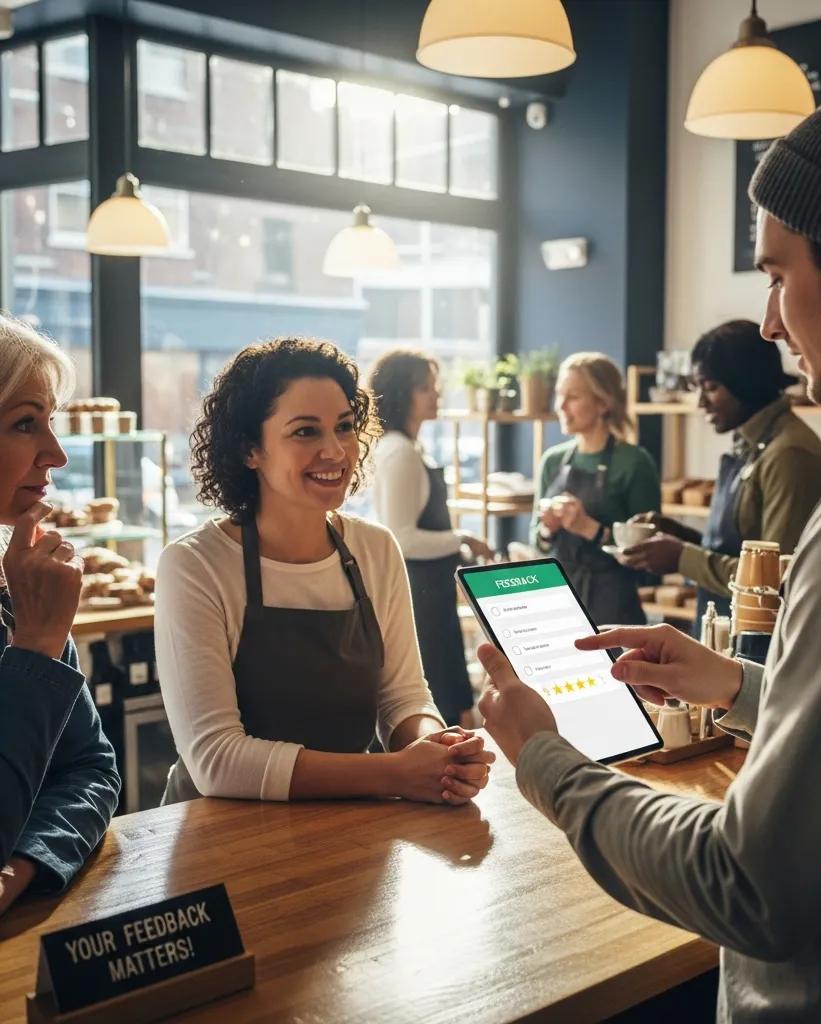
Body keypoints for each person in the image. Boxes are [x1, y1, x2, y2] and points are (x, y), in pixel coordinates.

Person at [477, 69, 821, 1022]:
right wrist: (738, 686)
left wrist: (549, 762)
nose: (772, 322)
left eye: (776, 275)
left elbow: (750, 887)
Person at [155, 337, 494, 806]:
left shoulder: (374, 549)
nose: (335, 450)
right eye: (305, 432)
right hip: (217, 839)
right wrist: (394, 773)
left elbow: (403, 698)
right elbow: (216, 760)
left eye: (344, 426)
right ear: (250, 449)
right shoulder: (196, 564)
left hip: (349, 831)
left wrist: (435, 749)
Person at [0, 316, 120, 917]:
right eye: (26, 423)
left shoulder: (14, 588)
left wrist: (19, 871)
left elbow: (91, 770)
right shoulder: (31, 610)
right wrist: (38, 647)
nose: (58, 454)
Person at [620, 320, 821, 630]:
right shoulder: (752, 443)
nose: (701, 403)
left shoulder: (789, 456)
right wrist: (681, 536)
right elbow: (740, 549)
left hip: (762, 647)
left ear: (745, 381)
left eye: (710, 388)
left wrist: (682, 557)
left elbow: (772, 580)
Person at [368, 349, 493, 728]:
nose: (436, 396)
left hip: (431, 594)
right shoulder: (400, 453)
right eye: (425, 388)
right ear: (401, 393)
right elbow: (401, 538)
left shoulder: (408, 448)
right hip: (418, 596)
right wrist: (463, 539)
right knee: (435, 704)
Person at [531, 353, 661, 626]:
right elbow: (537, 544)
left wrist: (591, 529)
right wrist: (547, 529)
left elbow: (651, 564)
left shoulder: (635, 463)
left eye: (573, 397)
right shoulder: (552, 461)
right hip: (558, 607)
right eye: (559, 395)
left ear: (603, 402)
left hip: (614, 612)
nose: (561, 406)